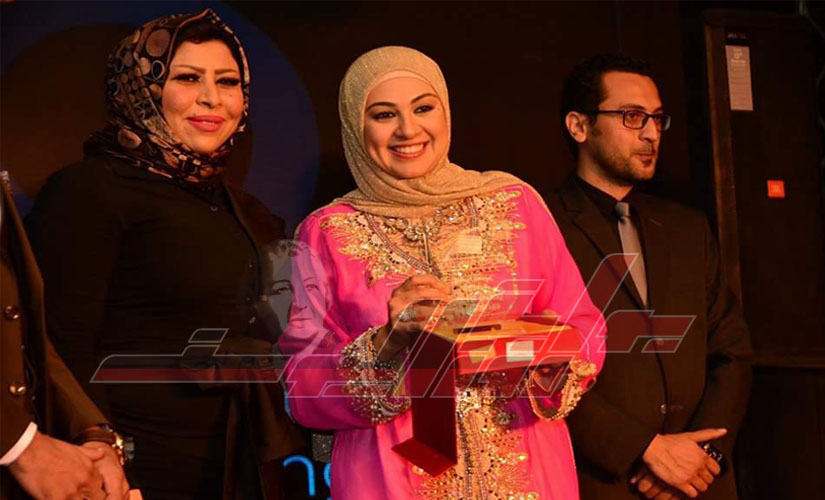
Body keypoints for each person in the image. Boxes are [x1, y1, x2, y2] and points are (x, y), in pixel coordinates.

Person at [278, 46, 606, 500]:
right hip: (389, 480)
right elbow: (302, 383)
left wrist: (549, 360)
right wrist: (385, 343)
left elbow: (583, 327)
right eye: (384, 114)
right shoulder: (327, 232)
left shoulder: (514, 203)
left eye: (423, 108)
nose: (408, 129)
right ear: (355, 126)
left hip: (526, 472)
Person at [25, 9, 303, 499]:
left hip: (241, 469)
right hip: (130, 473)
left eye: (227, 81)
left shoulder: (250, 213)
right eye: (187, 78)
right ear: (141, 88)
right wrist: (101, 453)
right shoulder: (89, 191)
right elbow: (59, 344)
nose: (211, 98)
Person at [546, 54, 752, 500]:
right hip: (602, 481)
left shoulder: (687, 228)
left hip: (700, 482)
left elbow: (731, 351)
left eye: (657, 118)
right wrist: (643, 449)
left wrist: (704, 456)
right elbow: (539, 368)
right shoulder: (541, 226)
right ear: (579, 126)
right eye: (632, 116)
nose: (651, 133)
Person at [1, 168, 129, 500]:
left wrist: (93, 432)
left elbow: (25, 332)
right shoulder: (84, 191)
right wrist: (21, 446)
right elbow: (70, 333)